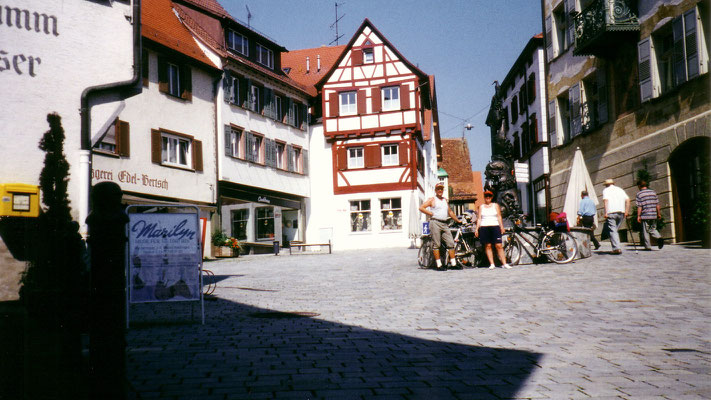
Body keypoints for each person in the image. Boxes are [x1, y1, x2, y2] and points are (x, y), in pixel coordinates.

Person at [419, 182, 461, 269]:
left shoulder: (445, 200)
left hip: (444, 223)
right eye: (438, 189)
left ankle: (453, 264)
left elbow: (450, 212)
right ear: (435, 190)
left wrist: (457, 220)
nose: (440, 191)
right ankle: (439, 265)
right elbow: (421, 207)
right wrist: (430, 213)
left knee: (450, 243)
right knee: (436, 244)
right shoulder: (432, 199)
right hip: (435, 223)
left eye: (441, 189)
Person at [475, 190, 512, 269]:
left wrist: (501, 226)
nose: (488, 198)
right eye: (486, 196)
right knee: (488, 245)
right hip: (484, 227)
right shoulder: (481, 207)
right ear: (484, 197)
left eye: (489, 196)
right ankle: (492, 264)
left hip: (495, 226)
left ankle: (504, 263)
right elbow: (479, 219)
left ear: (491, 197)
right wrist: (476, 229)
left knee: (498, 245)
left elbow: (499, 216)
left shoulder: (495, 205)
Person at [602, 178, 630, 254]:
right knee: (615, 230)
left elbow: (606, 201)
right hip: (621, 212)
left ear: (606, 185)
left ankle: (616, 248)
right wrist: (626, 211)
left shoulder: (606, 190)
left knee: (613, 231)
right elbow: (628, 200)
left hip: (611, 212)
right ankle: (616, 247)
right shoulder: (620, 189)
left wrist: (606, 212)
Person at [636, 179, 664, 250]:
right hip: (653, 214)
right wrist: (659, 213)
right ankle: (659, 237)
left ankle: (647, 246)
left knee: (646, 231)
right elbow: (657, 204)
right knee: (653, 229)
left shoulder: (639, 194)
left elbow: (640, 206)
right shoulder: (653, 192)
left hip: (645, 215)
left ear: (639, 186)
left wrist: (638, 216)